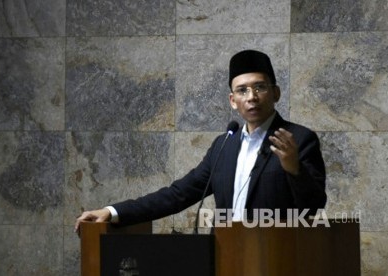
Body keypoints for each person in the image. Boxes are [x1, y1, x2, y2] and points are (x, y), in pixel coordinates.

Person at [74, 49, 326, 233]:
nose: (252, 97)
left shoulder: (300, 139)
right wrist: (113, 212)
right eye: (242, 90)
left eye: (259, 87)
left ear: (276, 93)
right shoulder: (224, 146)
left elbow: (313, 209)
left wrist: (295, 170)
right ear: (232, 100)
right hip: (227, 259)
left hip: (278, 260)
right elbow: (177, 195)